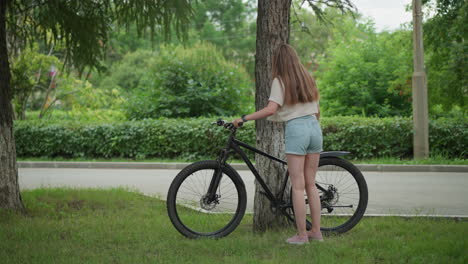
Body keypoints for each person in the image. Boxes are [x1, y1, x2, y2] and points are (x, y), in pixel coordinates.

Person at [233, 43, 323, 245]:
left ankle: (301, 235)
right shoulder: (308, 77)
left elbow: (270, 109)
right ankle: (316, 231)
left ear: (278, 62)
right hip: (314, 127)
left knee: (298, 186)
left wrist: (244, 118)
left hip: (298, 129)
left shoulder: (280, 81)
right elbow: (317, 109)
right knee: (310, 184)